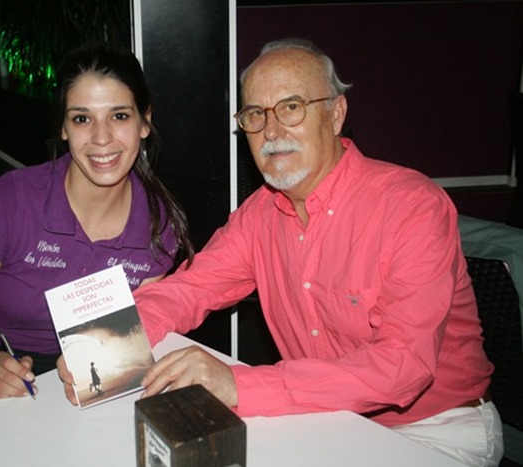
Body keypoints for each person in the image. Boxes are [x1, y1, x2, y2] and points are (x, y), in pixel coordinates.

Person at [57, 38, 504, 466]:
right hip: (325, 422)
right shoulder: (258, 216)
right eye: (254, 113)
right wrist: (99, 350)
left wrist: (234, 382)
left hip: (435, 429)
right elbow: (187, 290)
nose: (271, 130)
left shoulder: (411, 207)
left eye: (291, 107)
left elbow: (403, 367)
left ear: (335, 113)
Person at [0, 43, 194, 416]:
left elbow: (146, 325)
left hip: (94, 376)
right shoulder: (10, 201)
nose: (101, 138)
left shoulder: (157, 222)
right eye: (82, 118)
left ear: (145, 122)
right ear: (63, 128)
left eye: (119, 116)